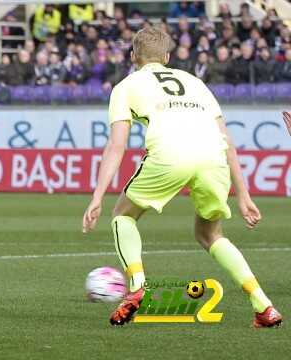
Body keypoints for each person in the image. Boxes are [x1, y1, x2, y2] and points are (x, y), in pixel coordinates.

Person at [81, 27, 282, 328]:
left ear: (133, 56)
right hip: (213, 155)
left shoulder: (125, 86)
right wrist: (243, 194)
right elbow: (225, 137)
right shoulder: (195, 82)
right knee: (211, 234)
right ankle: (263, 305)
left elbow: (117, 145)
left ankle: (136, 286)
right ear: (168, 57)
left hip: (170, 154)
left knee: (123, 215)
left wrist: (97, 197)